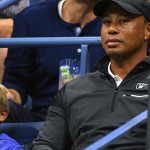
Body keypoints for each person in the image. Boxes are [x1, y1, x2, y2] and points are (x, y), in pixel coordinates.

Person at [30, 0, 150, 149]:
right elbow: (46, 144)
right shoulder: (74, 89)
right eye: (106, 22)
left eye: (123, 21)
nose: (111, 29)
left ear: (147, 30)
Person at [0, 0, 106, 123]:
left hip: (100, 120)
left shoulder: (118, 20)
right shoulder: (32, 18)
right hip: (45, 119)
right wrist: (11, 95)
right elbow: (16, 81)